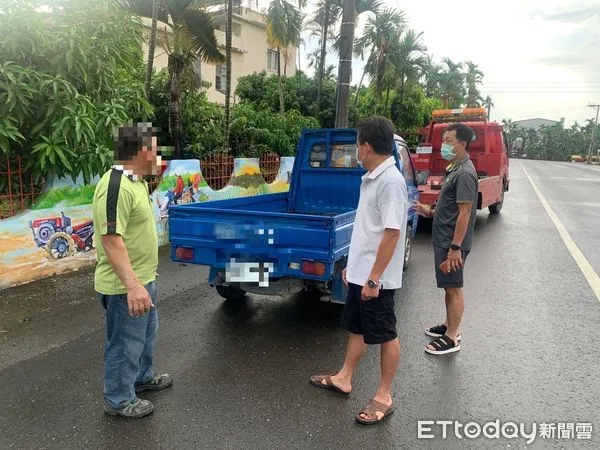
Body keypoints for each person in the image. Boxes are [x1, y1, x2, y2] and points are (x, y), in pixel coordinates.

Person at [310, 116, 408, 425]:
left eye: (356, 146)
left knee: (385, 334)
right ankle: (344, 377)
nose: (356, 151)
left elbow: (392, 233)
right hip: (361, 273)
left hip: (375, 280)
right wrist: (353, 269)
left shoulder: (391, 182)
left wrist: (372, 278)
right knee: (357, 327)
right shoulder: (373, 177)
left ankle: (384, 395)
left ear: (365, 147)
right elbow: (368, 231)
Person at [92, 123, 173, 419]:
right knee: (125, 343)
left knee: (146, 334)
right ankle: (117, 399)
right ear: (141, 151)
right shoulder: (115, 186)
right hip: (124, 286)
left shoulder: (137, 181)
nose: (159, 156)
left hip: (143, 280)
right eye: (154, 149)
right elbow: (111, 240)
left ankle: (141, 378)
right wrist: (133, 286)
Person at [413, 122, 478, 356]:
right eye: (444, 141)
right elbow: (449, 205)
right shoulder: (454, 168)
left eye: (449, 141)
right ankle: (450, 325)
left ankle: (452, 336)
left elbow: (465, 212)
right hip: (444, 238)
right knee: (448, 287)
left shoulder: (465, 173)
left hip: (452, 242)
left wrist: (455, 248)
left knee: (453, 287)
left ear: (462, 144)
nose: (444, 145)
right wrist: (430, 211)